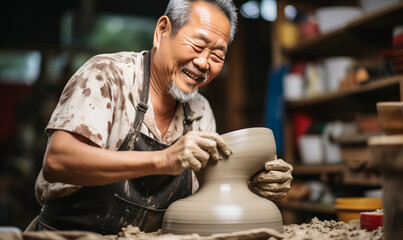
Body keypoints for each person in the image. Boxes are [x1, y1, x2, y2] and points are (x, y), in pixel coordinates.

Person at [28, 0, 293, 235]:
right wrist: (164, 159)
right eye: (198, 45)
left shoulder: (200, 111)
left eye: (216, 56)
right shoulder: (107, 75)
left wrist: (252, 185)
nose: (203, 63)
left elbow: (209, 194)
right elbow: (58, 161)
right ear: (162, 31)